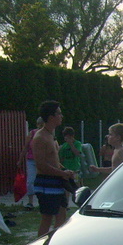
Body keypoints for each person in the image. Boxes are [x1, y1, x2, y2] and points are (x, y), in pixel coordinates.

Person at [33, 101, 74, 237]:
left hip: (57, 181)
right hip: (46, 183)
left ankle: (54, 241)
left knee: (62, 215)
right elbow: (41, 165)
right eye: (59, 113)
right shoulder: (40, 137)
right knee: (47, 218)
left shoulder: (52, 135)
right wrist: (62, 173)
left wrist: (65, 171)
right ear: (51, 117)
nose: (61, 116)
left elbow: (54, 161)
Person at [17, 117, 44, 209]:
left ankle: (42, 201)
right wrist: (20, 160)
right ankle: (30, 201)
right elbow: (25, 147)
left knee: (42, 180)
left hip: (42, 160)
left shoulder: (47, 134)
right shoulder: (32, 134)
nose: (41, 127)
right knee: (30, 181)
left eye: (42, 125)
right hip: (31, 160)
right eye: (39, 125)